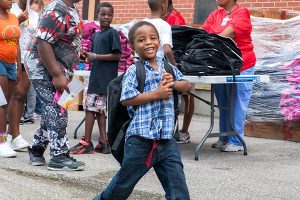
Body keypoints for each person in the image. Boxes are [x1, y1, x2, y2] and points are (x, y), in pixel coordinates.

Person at [93, 20, 191, 200]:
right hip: (140, 141)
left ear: (159, 41)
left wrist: (173, 83)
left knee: (178, 189)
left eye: (153, 38)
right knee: (122, 186)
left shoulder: (167, 67)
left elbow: (187, 85)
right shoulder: (134, 70)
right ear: (132, 47)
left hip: (166, 140)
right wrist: (157, 94)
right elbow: (127, 99)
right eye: (141, 40)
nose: (148, 42)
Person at [24, 0, 85, 170]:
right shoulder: (57, 9)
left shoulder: (71, 8)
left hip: (60, 68)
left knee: (54, 109)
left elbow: (65, 37)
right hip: (43, 69)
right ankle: (58, 155)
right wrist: (57, 74)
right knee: (57, 109)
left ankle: (36, 149)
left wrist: (79, 52)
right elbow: (43, 42)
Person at [201, 0, 256, 152]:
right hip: (221, 66)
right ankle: (224, 136)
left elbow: (229, 33)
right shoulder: (215, 14)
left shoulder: (242, 12)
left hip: (242, 65)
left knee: (237, 102)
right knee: (223, 102)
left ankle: (237, 141)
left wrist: (209, 42)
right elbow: (203, 33)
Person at [70, 2, 121, 155]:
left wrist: (96, 56)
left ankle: (86, 142)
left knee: (91, 109)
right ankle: (104, 142)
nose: (106, 17)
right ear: (97, 16)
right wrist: (87, 57)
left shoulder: (113, 33)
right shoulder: (97, 34)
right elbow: (94, 57)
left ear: (112, 16)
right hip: (95, 78)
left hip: (105, 79)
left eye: (109, 15)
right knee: (97, 110)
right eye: (103, 14)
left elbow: (117, 55)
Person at [7, 0, 40, 152]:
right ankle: (13, 134)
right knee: (14, 95)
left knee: (22, 96)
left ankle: (12, 135)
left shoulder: (35, 14)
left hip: (29, 59)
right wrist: (18, 20)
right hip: (12, 56)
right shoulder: (9, 9)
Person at [165, 0, 194, 144]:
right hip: (167, 61)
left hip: (178, 60)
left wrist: (175, 64)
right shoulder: (160, 17)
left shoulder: (175, 17)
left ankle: (184, 131)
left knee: (187, 95)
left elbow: (173, 44)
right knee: (171, 95)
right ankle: (173, 130)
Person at [0, 0, 21, 157]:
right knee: (1, 103)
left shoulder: (14, 17)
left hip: (11, 63)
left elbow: (17, 43)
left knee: (5, 104)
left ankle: (5, 139)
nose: (12, 0)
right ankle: (1, 142)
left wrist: (18, 66)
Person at [144, 0, 176, 66]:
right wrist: (174, 65)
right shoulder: (164, 25)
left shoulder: (140, 23)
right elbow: (167, 49)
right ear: (163, 6)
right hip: (156, 66)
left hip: (140, 65)